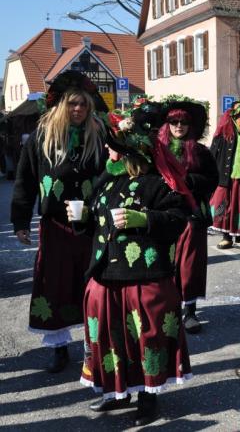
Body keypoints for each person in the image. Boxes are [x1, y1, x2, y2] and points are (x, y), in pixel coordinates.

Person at [77, 102, 193, 426]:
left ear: (129, 153)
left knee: (145, 339)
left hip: (144, 277)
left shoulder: (156, 183)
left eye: (113, 147)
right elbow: (97, 225)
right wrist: (82, 219)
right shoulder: (105, 182)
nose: (107, 150)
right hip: (105, 275)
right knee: (111, 338)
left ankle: (147, 396)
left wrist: (145, 219)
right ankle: (116, 391)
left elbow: (178, 219)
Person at [10, 70, 108, 373]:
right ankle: (59, 347)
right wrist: (20, 221)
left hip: (90, 224)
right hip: (54, 226)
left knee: (93, 283)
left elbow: (111, 175)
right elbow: (25, 180)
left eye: (83, 104)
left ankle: (94, 344)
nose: (78, 109)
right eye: (72, 104)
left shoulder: (99, 135)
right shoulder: (42, 136)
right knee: (54, 284)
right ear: (62, 105)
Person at [159, 98, 218, 334]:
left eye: (183, 122)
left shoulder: (200, 152)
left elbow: (212, 179)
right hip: (164, 213)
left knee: (190, 263)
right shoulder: (157, 150)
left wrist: (189, 181)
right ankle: (167, 307)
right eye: (174, 121)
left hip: (192, 214)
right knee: (165, 261)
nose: (179, 126)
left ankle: (190, 309)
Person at [210, 101, 240, 249]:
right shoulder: (224, 136)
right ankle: (226, 237)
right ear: (234, 118)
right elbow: (212, 157)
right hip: (228, 180)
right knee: (227, 207)